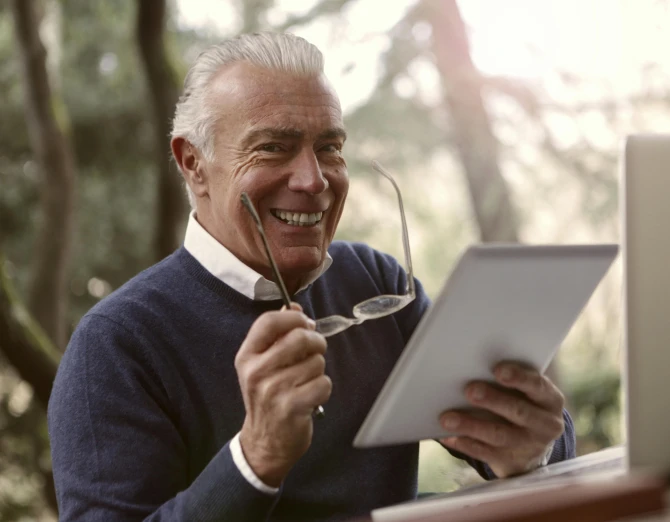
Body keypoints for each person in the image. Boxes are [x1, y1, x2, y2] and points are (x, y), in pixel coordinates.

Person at [48, 32, 576, 522]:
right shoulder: (115, 346)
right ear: (193, 163)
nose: (314, 179)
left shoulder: (376, 282)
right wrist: (255, 460)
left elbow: (529, 444)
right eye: (273, 147)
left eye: (330, 147)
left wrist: (532, 448)